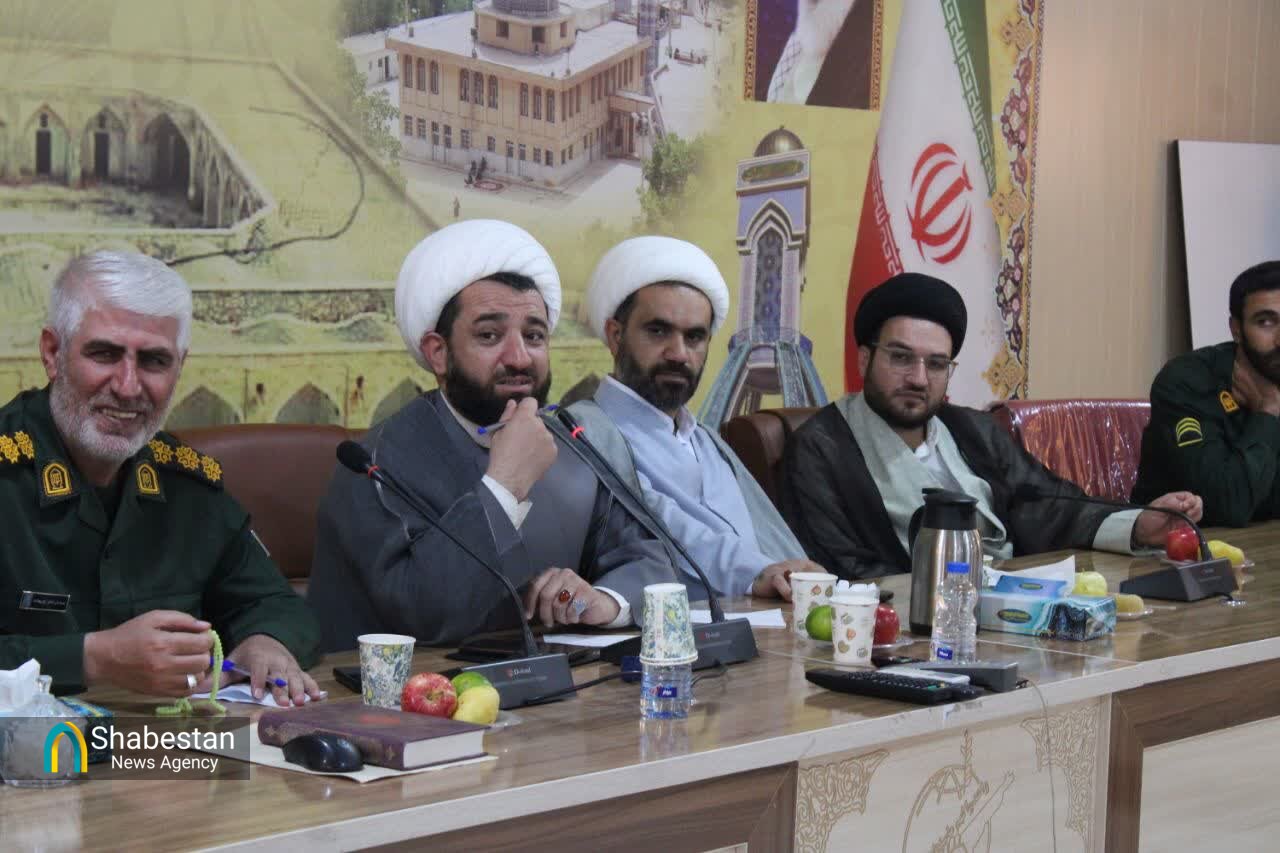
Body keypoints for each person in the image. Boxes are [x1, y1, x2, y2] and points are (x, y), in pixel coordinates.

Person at [308, 220, 678, 651]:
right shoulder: (375, 464)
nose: (519, 357)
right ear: (438, 353)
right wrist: (505, 485)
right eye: (489, 335)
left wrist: (605, 601)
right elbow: (423, 617)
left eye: (534, 336)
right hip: (411, 690)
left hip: (556, 685)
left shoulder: (574, 443)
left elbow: (649, 559)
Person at [0, 251, 321, 703]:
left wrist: (266, 641)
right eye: (104, 354)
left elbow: (274, 602)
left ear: (179, 368)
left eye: (154, 361)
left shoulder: (185, 481)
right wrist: (94, 658)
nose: (128, 386)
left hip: (164, 741)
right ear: (53, 354)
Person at [779, 273, 1204, 579]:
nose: (919, 379)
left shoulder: (973, 431)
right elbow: (840, 567)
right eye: (901, 358)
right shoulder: (821, 448)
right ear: (864, 359)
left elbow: (1049, 504)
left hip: (1009, 607)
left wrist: (1138, 524)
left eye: (936, 364)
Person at [571, 236, 821, 600]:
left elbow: (769, 537)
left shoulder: (704, 439)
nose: (679, 353)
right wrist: (756, 574)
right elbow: (662, 521)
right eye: (658, 331)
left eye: (694, 337)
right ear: (616, 335)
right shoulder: (585, 431)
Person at [1132, 261, 1280, 526]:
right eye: (1266, 322)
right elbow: (1228, 505)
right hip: (1182, 545)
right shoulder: (1187, 381)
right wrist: (1268, 409)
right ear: (1236, 329)